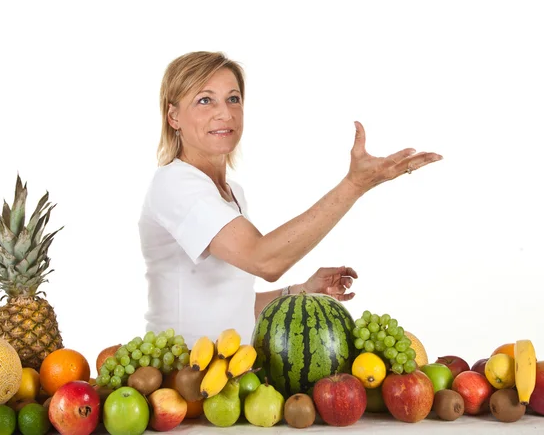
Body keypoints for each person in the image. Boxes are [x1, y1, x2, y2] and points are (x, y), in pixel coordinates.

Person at [138, 51, 443, 348]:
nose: (225, 113)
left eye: (233, 98)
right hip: (183, 384)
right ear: (173, 115)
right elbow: (264, 260)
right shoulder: (175, 183)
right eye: (205, 100)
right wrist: (354, 185)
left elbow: (234, 306)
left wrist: (299, 291)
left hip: (232, 379)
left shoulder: (232, 194)